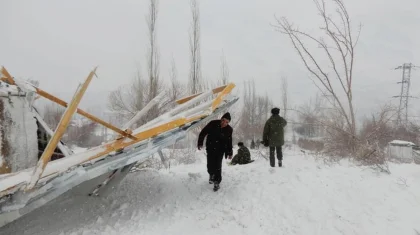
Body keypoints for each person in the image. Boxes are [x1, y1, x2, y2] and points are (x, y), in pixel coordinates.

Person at [197, 112, 233, 191]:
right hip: (210, 148)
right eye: (224, 120)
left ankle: (217, 182)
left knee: (218, 166)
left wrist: (230, 152)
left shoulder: (229, 129)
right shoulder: (213, 123)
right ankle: (211, 174)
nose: (224, 123)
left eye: (227, 122)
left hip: (221, 150)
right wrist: (200, 143)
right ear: (221, 119)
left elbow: (229, 141)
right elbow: (203, 132)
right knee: (210, 164)